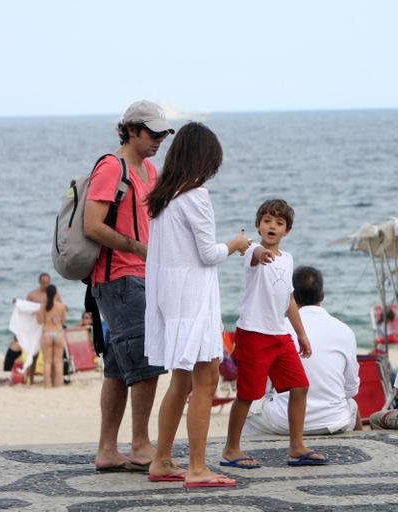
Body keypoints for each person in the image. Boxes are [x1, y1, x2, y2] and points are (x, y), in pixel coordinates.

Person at [145, 121, 250, 487]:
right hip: (193, 299)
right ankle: (197, 467)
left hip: (169, 298)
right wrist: (236, 244)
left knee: (180, 381)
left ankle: (161, 460)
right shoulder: (196, 195)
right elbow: (208, 254)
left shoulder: (163, 195)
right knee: (206, 380)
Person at [83, 100, 173, 473]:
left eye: (163, 134)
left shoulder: (149, 169)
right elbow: (92, 224)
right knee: (147, 361)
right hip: (118, 277)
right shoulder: (111, 167)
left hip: (139, 275)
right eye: (153, 133)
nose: (159, 140)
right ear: (131, 130)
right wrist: (136, 246)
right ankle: (139, 444)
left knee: (118, 368)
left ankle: (107, 449)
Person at [222, 199, 328, 470]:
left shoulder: (288, 259)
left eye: (279, 223)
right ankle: (231, 449)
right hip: (254, 333)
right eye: (267, 221)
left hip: (281, 335)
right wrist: (258, 252)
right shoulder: (252, 253)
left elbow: (289, 299)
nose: (272, 226)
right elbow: (255, 253)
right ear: (258, 225)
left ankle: (296, 446)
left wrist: (301, 333)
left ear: (287, 231)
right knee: (248, 394)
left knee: (300, 385)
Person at [244, 266, 361, 436]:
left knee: (246, 411)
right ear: (322, 295)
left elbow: (264, 386)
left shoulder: (278, 328)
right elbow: (351, 389)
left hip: (284, 421)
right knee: (353, 406)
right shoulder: (345, 331)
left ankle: (246, 453)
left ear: (290, 297)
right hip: (332, 420)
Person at [36, 284, 67, 388]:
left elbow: (40, 322)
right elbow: (63, 321)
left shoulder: (43, 306)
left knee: (47, 362)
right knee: (58, 361)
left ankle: (47, 384)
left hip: (47, 334)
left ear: (46, 293)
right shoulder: (61, 306)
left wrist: (38, 314)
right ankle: (58, 384)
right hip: (58, 333)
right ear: (55, 293)